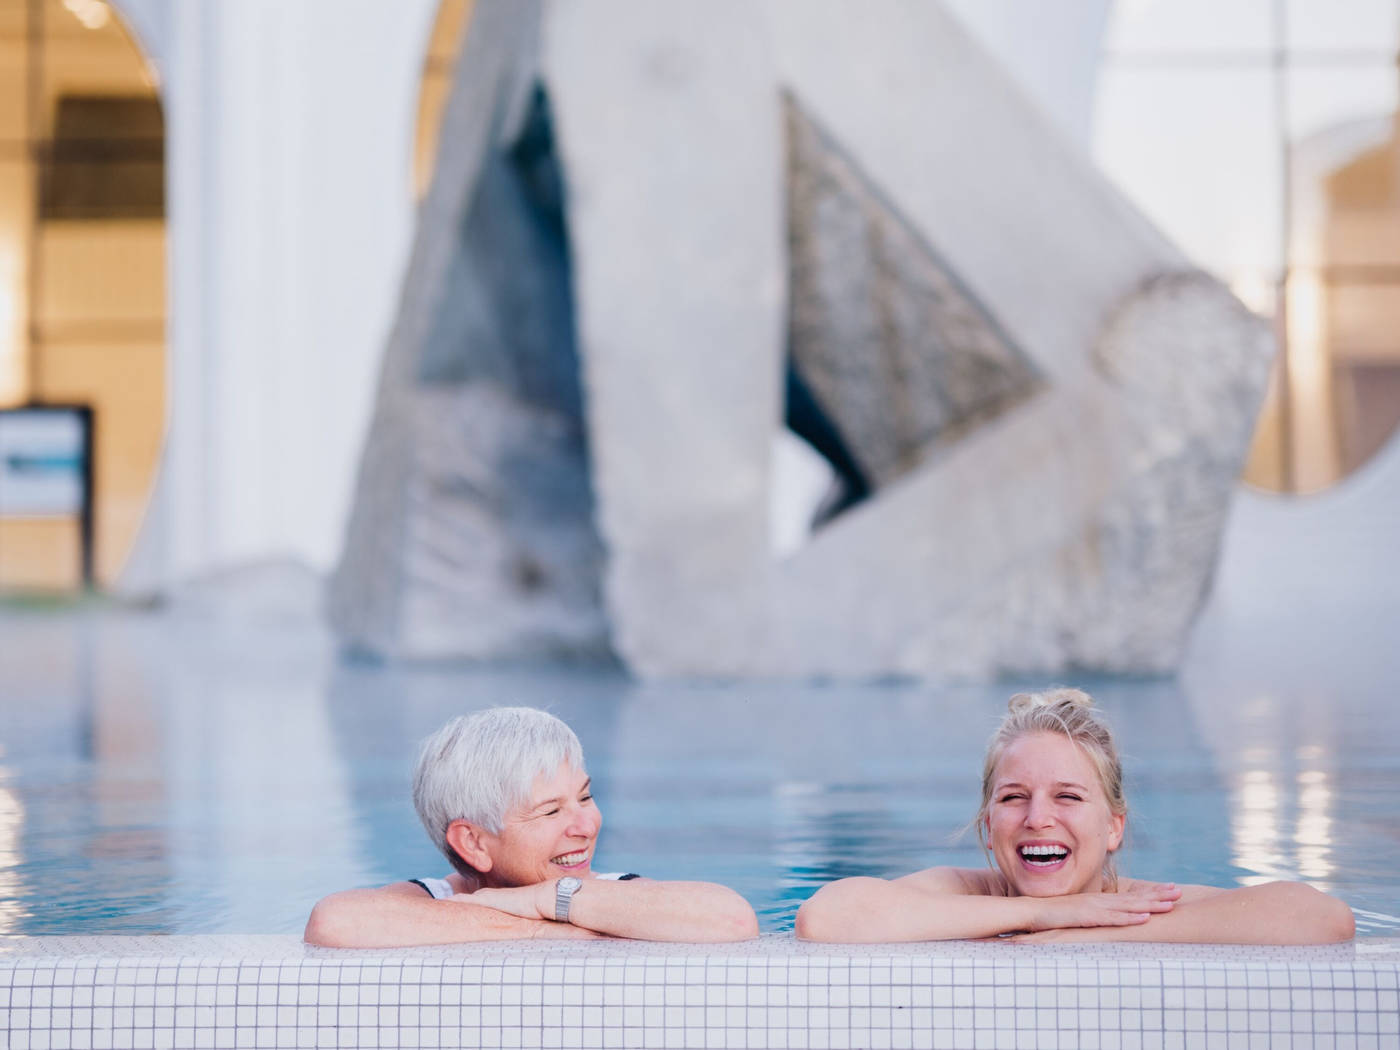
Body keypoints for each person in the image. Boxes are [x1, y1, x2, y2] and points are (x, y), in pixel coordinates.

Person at [794, 688, 1355, 944]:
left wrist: (1092, 929)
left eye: (1068, 797)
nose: (1038, 818)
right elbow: (825, 919)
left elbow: (1322, 918)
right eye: (1013, 797)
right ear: (988, 827)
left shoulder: (1135, 906)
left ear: (1114, 826)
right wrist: (1042, 916)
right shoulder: (962, 890)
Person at [304, 707, 759, 946]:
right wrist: (541, 927)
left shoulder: (612, 892)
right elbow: (334, 920)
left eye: (584, 796)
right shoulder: (431, 901)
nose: (586, 824)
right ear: (474, 842)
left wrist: (548, 898)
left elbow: (731, 917)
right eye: (549, 811)